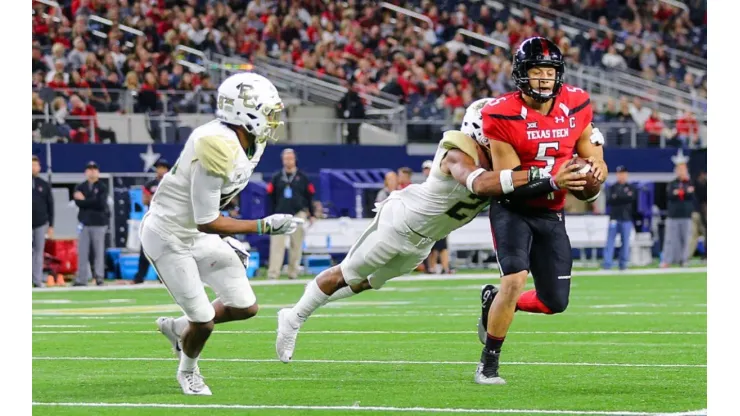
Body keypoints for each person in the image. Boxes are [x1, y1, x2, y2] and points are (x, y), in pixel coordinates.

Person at [275, 97, 589, 364]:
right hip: (398, 225)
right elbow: (480, 183)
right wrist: (546, 174)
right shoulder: (457, 153)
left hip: (423, 241)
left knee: (370, 282)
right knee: (346, 273)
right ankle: (293, 318)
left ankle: (303, 309)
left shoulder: (500, 160)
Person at [145, 73, 303, 396]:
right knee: (203, 320)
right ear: (246, 112)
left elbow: (219, 201)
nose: (273, 121)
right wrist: (261, 226)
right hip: (169, 235)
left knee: (245, 306)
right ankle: (187, 372)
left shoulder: (250, 142)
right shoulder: (215, 144)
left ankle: (179, 329)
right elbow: (206, 220)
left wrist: (224, 236)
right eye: (267, 113)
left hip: (196, 233)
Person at [475, 37, 608, 385]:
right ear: (521, 74)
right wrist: (553, 180)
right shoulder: (500, 112)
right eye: (536, 71)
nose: (544, 78)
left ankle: (497, 302)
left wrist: (596, 171)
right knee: (514, 280)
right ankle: (488, 363)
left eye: (549, 71)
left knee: (554, 302)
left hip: (552, 211)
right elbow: (510, 183)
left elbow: (592, 153)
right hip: (513, 209)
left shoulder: (577, 103)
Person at [266, 148, 317, 280]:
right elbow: (270, 197)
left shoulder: (302, 177)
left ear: (295, 160)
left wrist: (311, 214)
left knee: (296, 244)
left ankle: (293, 272)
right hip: (279, 215)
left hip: (298, 214)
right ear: (282, 160)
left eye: (290, 158)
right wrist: (269, 214)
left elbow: (309, 196)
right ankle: (273, 273)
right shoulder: (277, 177)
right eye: (286, 159)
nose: (288, 161)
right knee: (277, 245)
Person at [133, 159, 170, 284]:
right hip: (153, 219)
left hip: (167, 220)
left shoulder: (172, 183)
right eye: (159, 167)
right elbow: (145, 200)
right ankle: (140, 276)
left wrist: (155, 198)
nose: (161, 170)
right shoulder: (150, 184)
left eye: (163, 167)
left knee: (165, 250)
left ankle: (164, 277)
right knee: (145, 248)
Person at [73, 161, 109, 287]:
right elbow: (78, 202)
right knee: (82, 252)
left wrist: (85, 200)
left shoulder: (103, 187)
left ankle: (99, 277)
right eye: (89, 169)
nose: (92, 171)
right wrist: (90, 201)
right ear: (85, 172)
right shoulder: (80, 187)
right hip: (84, 222)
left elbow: (100, 203)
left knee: (98, 252)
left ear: (98, 172)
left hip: (99, 223)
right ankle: (82, 279)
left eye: (94, 169)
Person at [661, 156, 695, 267]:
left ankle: (684, 260)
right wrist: (684, 192)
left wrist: (680, 192)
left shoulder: (690, 182)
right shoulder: (672, 183)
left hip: (686, 215)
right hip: (673, 215)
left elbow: (691, 195)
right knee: (670, 240)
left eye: (683, 169)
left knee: (685, 239)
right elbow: (671, 195)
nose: (681, 171)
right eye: (679, 169)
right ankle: (667, 260)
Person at [602, 166, 637, 270]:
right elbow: (609, 200)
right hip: (614, 218)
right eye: (619, 173)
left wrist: (618, 197)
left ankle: (623, 264)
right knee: (610, 242)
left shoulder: (631, 187)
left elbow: (631, 199)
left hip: (626, 218)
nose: (621, 175)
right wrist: (623, 197)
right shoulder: (612, 187)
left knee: (625, 242)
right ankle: (607, 264)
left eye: (623, 173)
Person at [421, 160, 451, 274]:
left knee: (442, 245)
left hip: (440, 216)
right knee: (430, 246)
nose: (427, 171)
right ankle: (432, 267)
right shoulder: (426, 184)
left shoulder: (440, 182)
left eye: (428, 169)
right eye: (425, 169)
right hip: (430, 218)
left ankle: (445, 267)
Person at [32, 155, 54, 288]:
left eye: (35, 165)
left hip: (40, 223)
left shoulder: (43, 184)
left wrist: (51, 225)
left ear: (39, 167)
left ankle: (37, 279)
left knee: (39, 252)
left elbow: (50, 205)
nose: (33, 168)